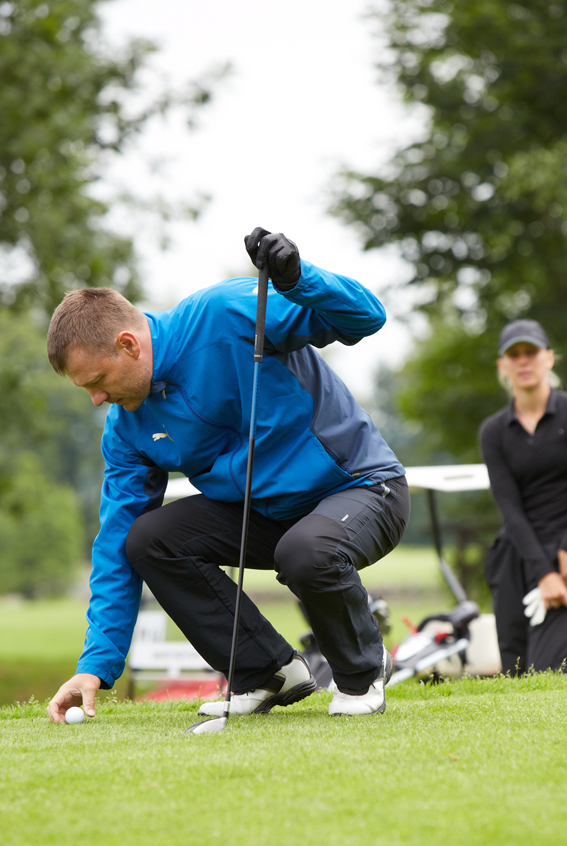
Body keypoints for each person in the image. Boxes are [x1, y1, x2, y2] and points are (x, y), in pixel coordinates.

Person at [45, 228, 410, 724]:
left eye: (97, 381)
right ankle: (267, 673)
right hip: (272, 518)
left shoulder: (225, 312)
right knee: (147, 539)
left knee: (305, 551)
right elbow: (114, 542)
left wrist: (299, 280)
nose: (96, 399)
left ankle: (363, 672)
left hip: (363, 489)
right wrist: (95, 664)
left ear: (128, 345)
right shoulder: (126, 427)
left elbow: (366, 316)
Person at [479, 319, 567, 674]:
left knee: (555, 671)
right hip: (517, 553)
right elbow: (509, 507)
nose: (523, 361)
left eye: (531, 352)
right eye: (514, 354)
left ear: (549, 358)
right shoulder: (494, 431)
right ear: (502, 365)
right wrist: (543, 572)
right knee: (515, 672)